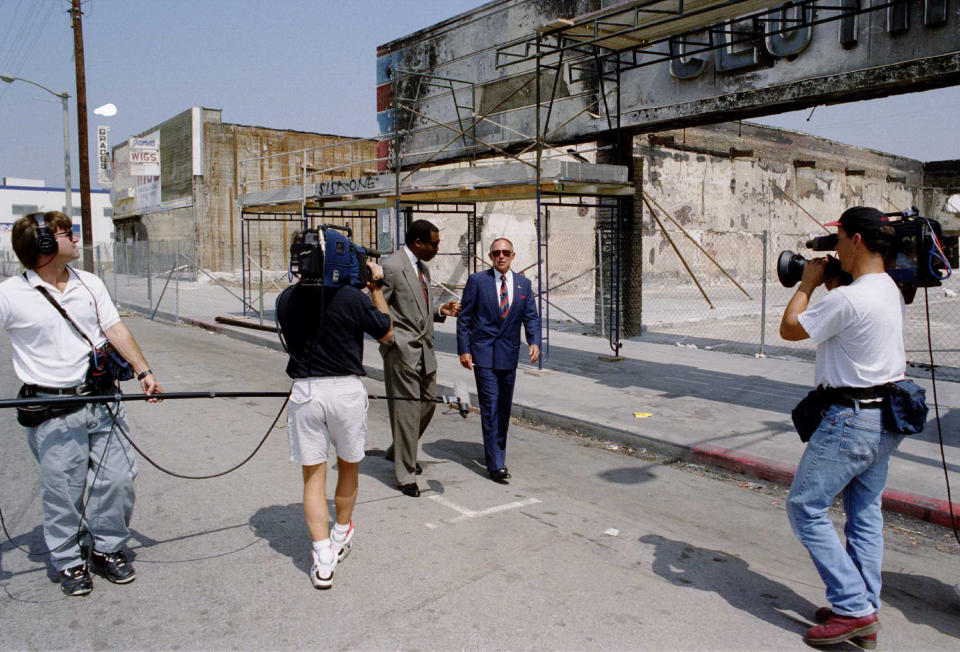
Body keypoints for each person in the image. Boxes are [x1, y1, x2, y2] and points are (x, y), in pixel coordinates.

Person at [0, 211, 162, 596]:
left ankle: (106, 548)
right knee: (63, 490)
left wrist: (143, 371)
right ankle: (69, 560)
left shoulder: (89, 283)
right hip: (53, 411)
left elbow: (114, 328)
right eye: (65, 233)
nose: (75, 239)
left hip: (103, 400)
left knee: (118, 479)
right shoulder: (10, 294)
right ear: (43, 245)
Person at [779, 206, 909, 648]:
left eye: (839, 238)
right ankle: (863, 603)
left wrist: (808, 284)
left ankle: (853, 608)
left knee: (805, 507)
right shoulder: (886, 288)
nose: (833, 247)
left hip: (849, 420)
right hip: (884, 418)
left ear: (855, 240)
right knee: (865, 514)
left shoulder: (846, 298)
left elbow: (790, 328)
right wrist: (834, 282)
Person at [276, 246, 393, 589]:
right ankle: (341, 533)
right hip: (345, 391)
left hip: (307, 392)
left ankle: (323, 556)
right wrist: (375, 289)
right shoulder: (351, 297)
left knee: (313, 476)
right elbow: (386, 331)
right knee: (348, 466)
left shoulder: (287, 299)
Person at [379, 219, 460, 497]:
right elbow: (376, 306)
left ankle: (397, 450)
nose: (437, 248)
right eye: (434, 244)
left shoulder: (422, 267)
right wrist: (391, 341)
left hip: (426, 349)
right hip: (402, 351)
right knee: (407, 410)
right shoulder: (391, 266)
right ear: (418, 243)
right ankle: (406, 474)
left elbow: (418, 305)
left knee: (428, 404)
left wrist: (440, 310)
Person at [456, 238, 541, 483]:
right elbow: (465, 318)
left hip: (509, 353)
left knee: (504, 407)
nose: (500, 257)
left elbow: (531, 317)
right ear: (490, 257)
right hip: (483, 354)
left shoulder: (524, 285)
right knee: (490, 406)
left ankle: (497, 452)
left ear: (513, 256)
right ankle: (496, 464)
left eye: (505, 253)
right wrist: (464, 349)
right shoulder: (477, 282)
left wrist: (533, 341)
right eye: (496, 253)